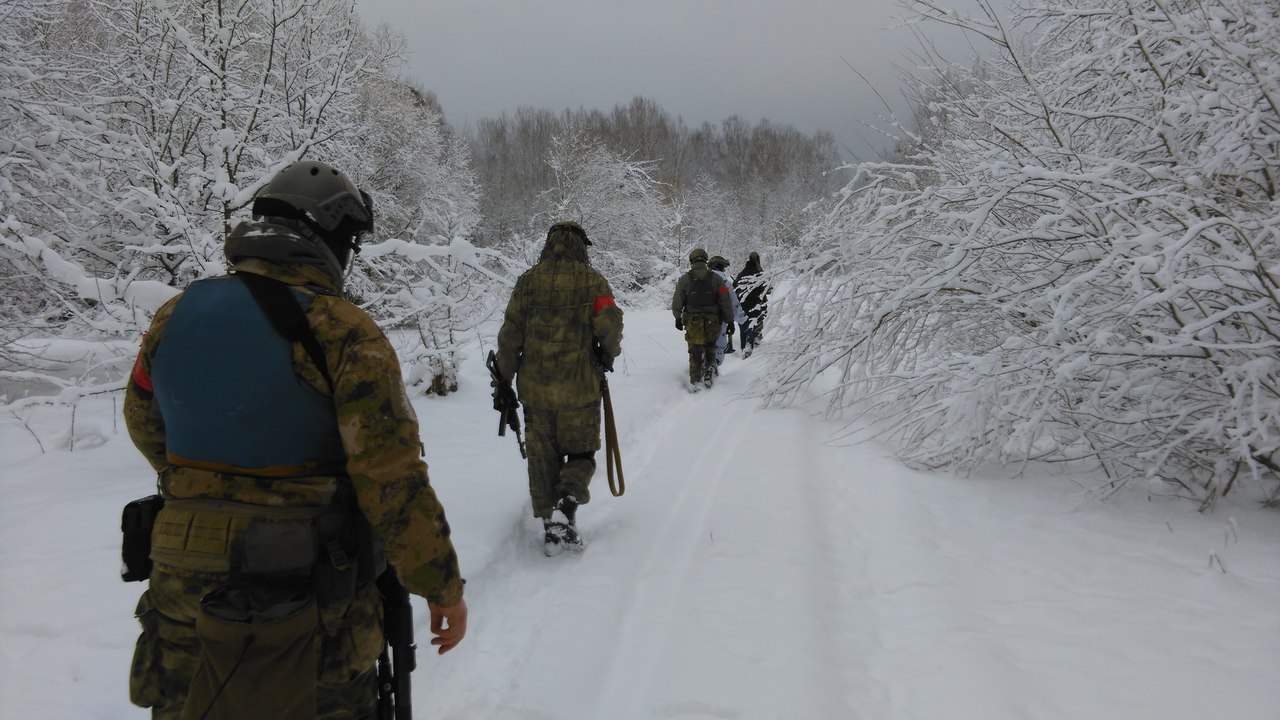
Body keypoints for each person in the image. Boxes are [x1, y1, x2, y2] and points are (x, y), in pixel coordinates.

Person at [123, 160, 467, 720]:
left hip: (182, 589)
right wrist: (441, 586)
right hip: (308, 600)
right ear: (327, 238)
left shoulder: (173, 315)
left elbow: (145, 425)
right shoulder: (343, 330)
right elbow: (390, 479)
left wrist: (211, 488)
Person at [494, 220, 623, 555]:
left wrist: (502, 381)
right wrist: (606, 356)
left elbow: (510, 336)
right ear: (581, 246)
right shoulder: (594, 281)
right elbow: (610, 324)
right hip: (580, 389)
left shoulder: (526, 282)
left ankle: (551, 523)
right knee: (581, 452)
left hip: (535, 391)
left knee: (542, 459)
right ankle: (567, 500)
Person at [672, 247, 735, 389]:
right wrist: (730, 320)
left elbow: (677, 301)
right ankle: (709, 373)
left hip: (692, 321)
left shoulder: (684, 279)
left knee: (695, 350)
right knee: (710, 347)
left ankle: (695, 381)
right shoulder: (717, 279)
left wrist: (677, 318)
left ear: (692, 261)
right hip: (713, 321)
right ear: (705, 260)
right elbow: (725, 301)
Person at [708, 255, 747, 366]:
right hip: (719, 319)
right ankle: (713, 367)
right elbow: (733, 303)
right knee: (719, 346)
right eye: (724, 267)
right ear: (720, 267)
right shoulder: (725, 283)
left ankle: (702, 366)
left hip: (699, 319)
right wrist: (742, 318)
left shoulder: (700, 280)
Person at [734, 250, 770, 357]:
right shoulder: (760, 273)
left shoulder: (742, 273)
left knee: (743, 325)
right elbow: (767, 288)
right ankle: (751, 343)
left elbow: (735, 287)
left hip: (742, 304)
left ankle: (744, 346)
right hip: (756, 303)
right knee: (753, 323)